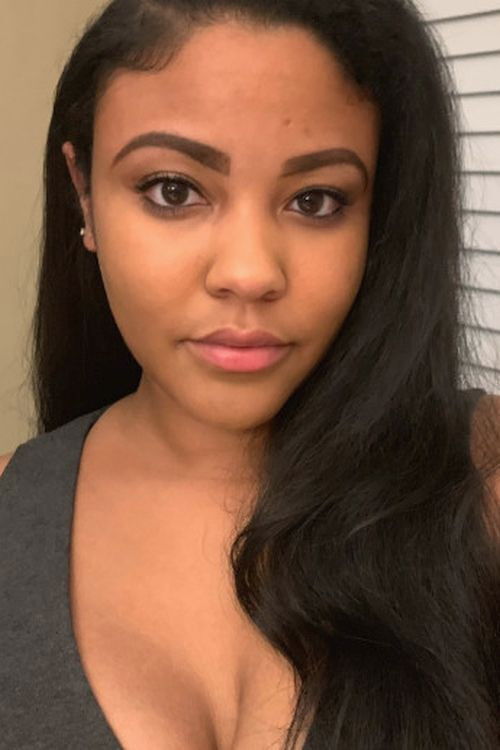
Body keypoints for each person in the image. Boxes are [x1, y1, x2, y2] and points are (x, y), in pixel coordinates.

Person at [1, 0, 500, 748]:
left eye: (316, 200)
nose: (250, 272)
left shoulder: (480, 480)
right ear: (84, 194)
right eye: (173, 190)